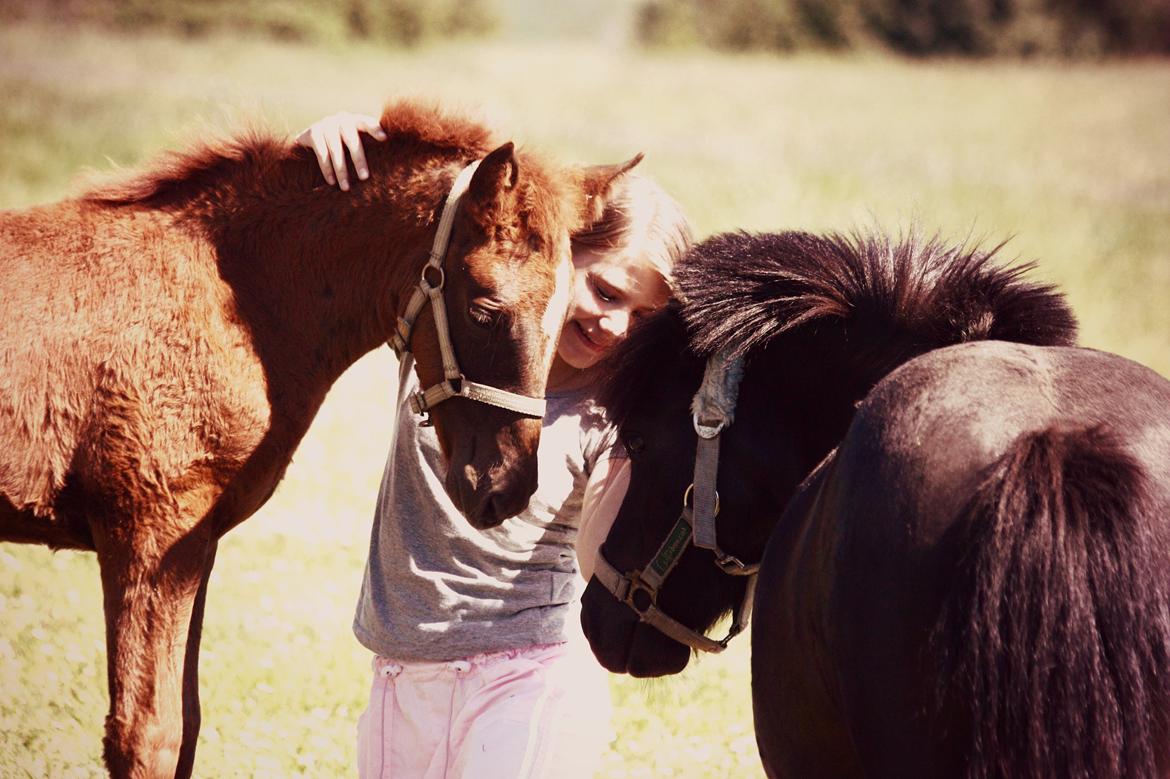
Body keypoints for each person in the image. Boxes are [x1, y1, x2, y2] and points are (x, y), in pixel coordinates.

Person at [296, 112, 693, 778]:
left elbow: (601, 555)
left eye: (645, 318)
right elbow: (331, 246)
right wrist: (325, 149)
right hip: (402, 671)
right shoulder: (458, 326)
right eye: (605, 291)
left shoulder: (613, 413)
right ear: (558, 255)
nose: (616, 326)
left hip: (531, 676)